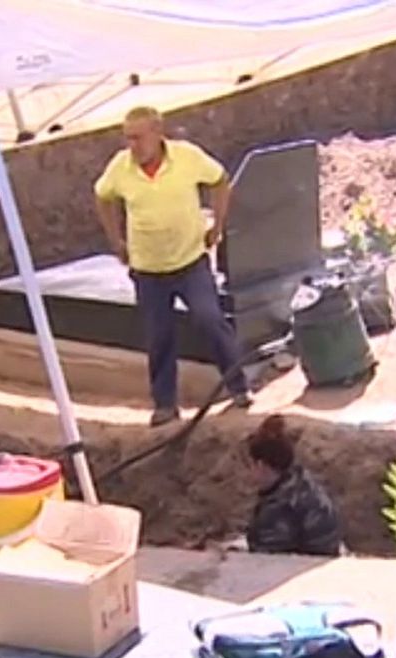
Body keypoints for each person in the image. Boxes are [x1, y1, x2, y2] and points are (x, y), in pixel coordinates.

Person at [94, 105, 251, 427]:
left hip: (190, 261)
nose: (132, 146)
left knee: (210, 321)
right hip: (148, 271)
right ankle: (165, 405)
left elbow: (220, 181)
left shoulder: (188, 157)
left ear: (157, 133)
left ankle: (238, 386)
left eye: (138, 138)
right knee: (158, 336)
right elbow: (102, 197)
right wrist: (116, 241)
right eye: (127, 139)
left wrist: (218, 226)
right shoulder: (120, 168)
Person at [242, 416, 342, 557]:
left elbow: (265, 558)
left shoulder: (279, 508)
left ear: (261, 465)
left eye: (249, 465)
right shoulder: (299, 480)